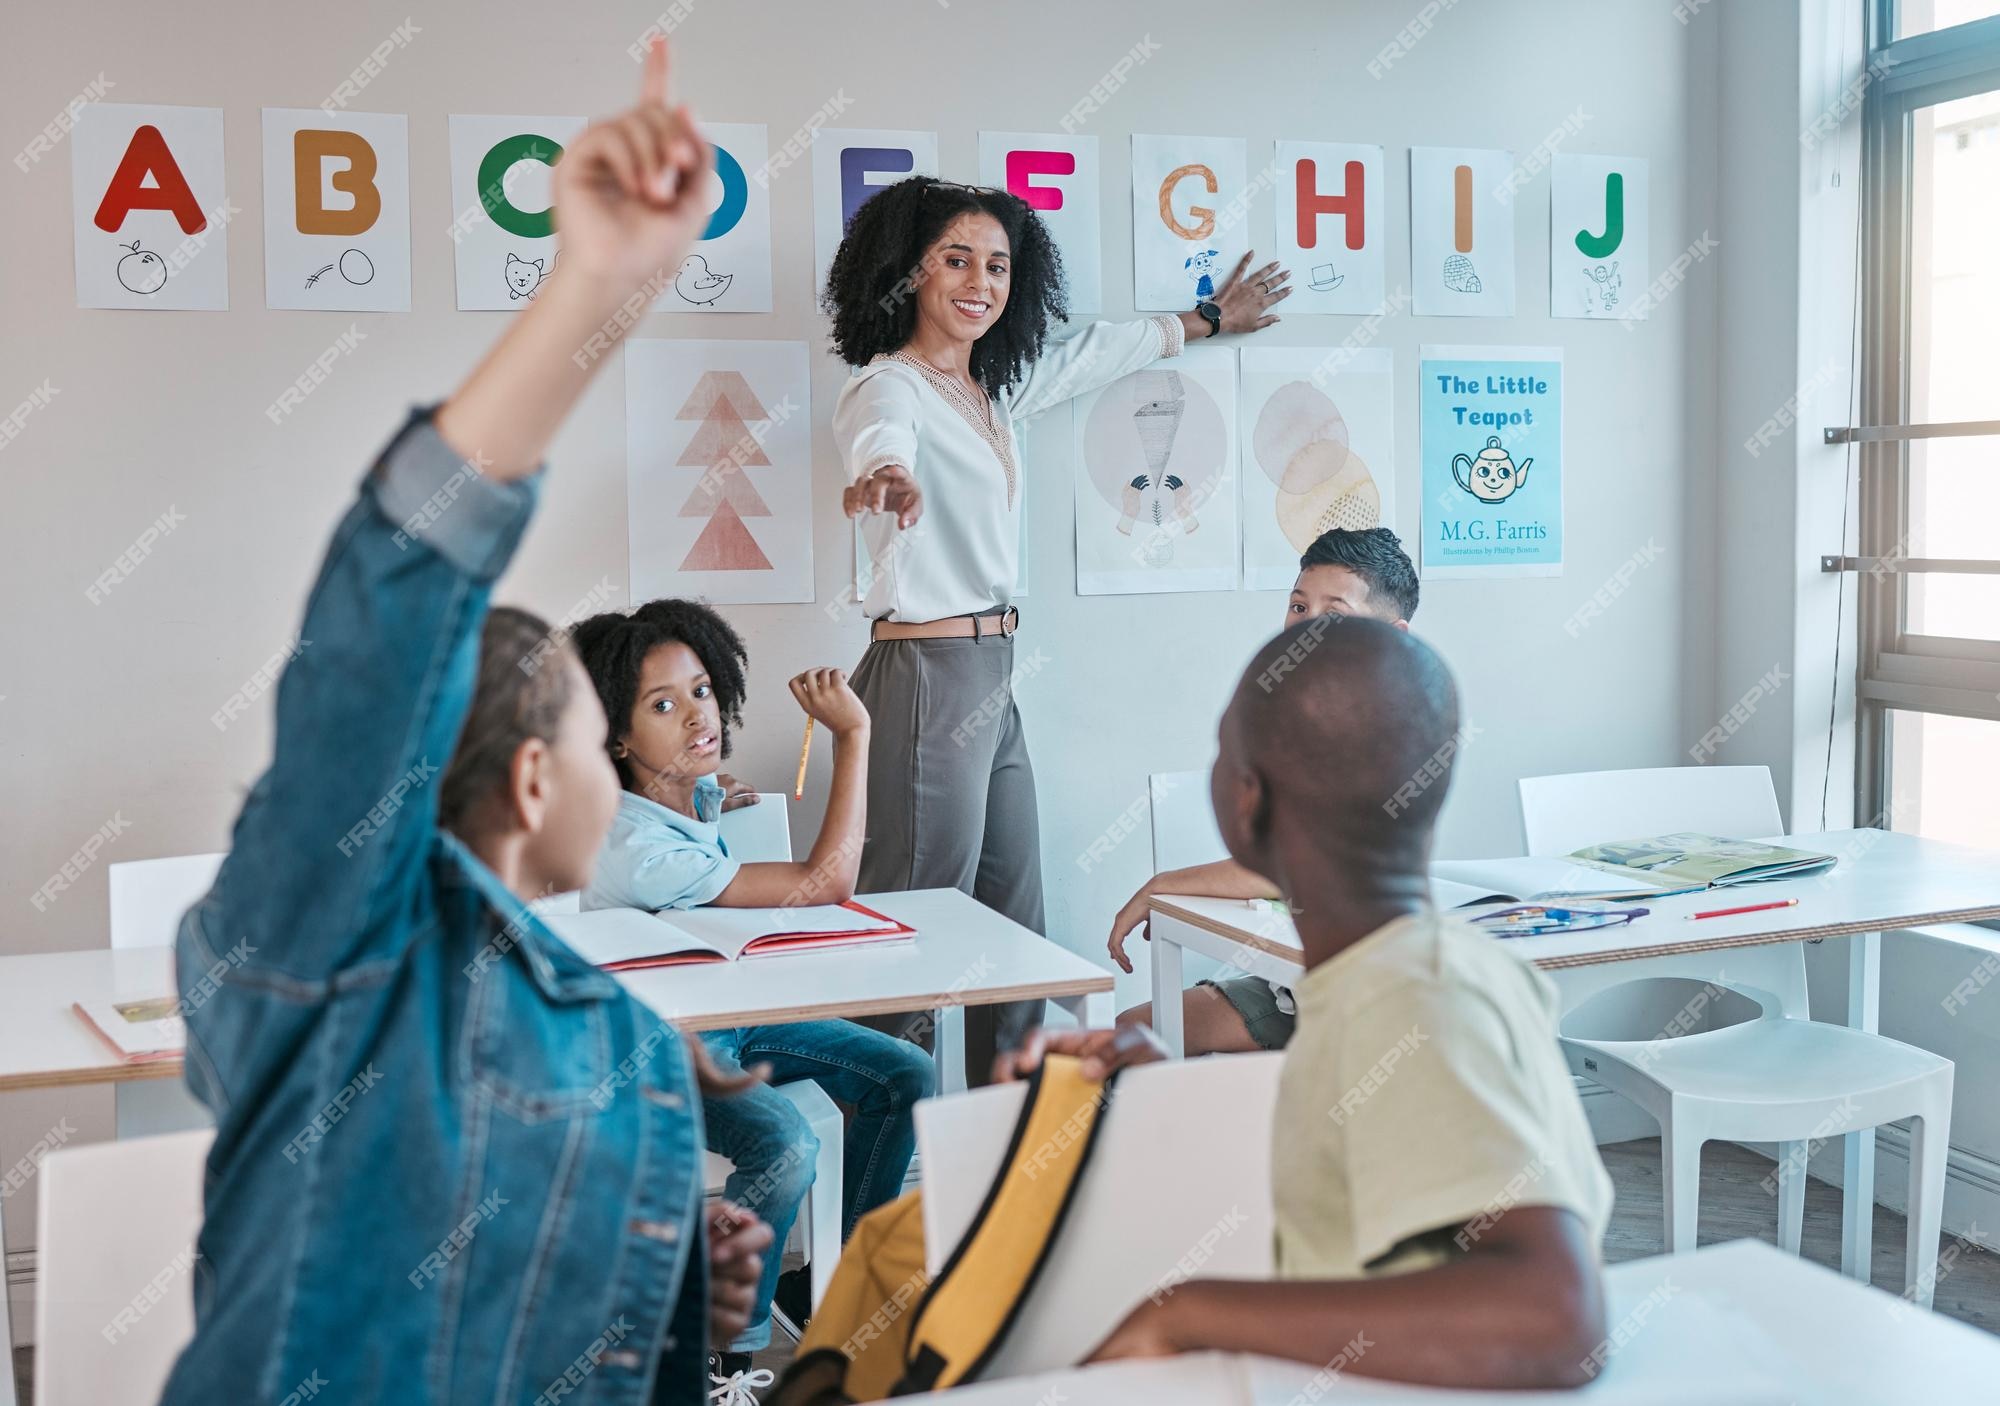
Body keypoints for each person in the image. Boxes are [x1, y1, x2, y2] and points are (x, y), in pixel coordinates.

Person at [159, 42, 771, 1406]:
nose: (629, 763)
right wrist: (597, 291)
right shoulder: (326, 955)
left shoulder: (615, 1038)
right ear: (544, 777)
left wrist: (676, 1293)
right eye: (603, 732)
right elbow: (386, 613)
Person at [997, 619, 1615, 1391]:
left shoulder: (1408, 998)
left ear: (1249, 803)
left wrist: (1186, 1312)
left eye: (1223, 755)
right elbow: (1345, 1148)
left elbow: (1555, 1314)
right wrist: (1166, 1082)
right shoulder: (1402, 971)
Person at [824, 174, 1291, 1079]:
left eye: (997, 265)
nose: (980, 281)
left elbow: (1091, 356)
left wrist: (1208, 320)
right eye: (955, 258)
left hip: (990, 674)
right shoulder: (887, 388)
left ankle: (1018, 1137)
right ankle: (878, 1148)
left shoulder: (990, 393)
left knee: (1012, 921)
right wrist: (882, 477)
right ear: (907, 272)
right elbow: (880, 438)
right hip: (926, 672)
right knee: (915, 931)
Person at [571, 599, 934, 1387]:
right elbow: (825, 882)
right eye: (662, 706)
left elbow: (698, 832)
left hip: (727, 1019)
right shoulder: (634, 844)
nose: (697, 716)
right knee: (784, 1144)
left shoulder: (677, 795)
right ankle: (722, 1353)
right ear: (619, 737)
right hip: (658, 1045)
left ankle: (839, 1288)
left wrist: (710, 793)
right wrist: (853, 735)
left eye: (701, 690)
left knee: (906, 1073)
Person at [1107, 527, 1418, 1054]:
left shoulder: (1394, 733)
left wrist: (1158, 885)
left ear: (1393, 635)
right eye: (1298, 606)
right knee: (1126, 1034)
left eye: (1335, 614)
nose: (1307, 626)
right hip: (1290, 984)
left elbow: (1293, 868)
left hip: (1354, 1005)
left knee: (1129, 1041)